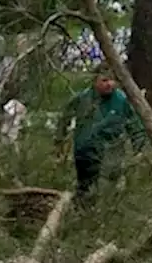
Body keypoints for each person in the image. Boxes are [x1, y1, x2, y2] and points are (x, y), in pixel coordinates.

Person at [58, 66, 146, 197]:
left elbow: (134, 125)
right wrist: (59, 140)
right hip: (84, 151)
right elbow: (64, 118)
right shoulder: (83, 98)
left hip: (111, 152)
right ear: (95, 81)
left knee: (107, 188)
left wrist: (138, 148)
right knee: (85, 190)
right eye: (104, 80)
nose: (109, 84)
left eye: (112, 80)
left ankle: (104, 206)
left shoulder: (121, 101)